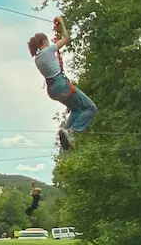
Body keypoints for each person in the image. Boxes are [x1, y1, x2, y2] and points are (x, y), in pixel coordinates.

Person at [28, 15, 98, 150]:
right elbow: (66, 38)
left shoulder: (37, 58)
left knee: (76, 110)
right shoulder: (48, 50)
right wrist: (62, 23)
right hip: (61, 85)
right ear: (44, 41)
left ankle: (65, 132)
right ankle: (73, 131)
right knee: (90, 108)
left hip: (52, 90)